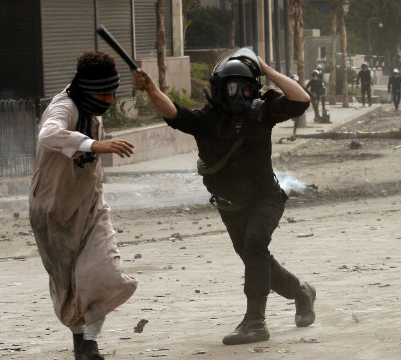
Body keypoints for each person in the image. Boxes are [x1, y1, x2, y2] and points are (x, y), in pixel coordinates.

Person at [131, 48, 316, 345]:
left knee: (255, 246)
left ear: (254, 90)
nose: (238, 94)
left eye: (245, 87)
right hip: (231, 207)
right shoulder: (206, 120)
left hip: (266, 197)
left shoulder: (263, 114)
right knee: (257, 260)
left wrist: (266, 68)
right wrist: (151, 87)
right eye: (231, 87)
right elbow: (173, 112)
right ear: (219, 89)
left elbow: (301, 100)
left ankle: (255, 322)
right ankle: (301, 292)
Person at [29, 51, 138, 360]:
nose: (110, 100)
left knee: (104, 273)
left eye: (112, 92)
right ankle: (82, 344)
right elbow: (47, 134)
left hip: (90, 207)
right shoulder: (64, 106)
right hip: (53, 211)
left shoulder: (91, 108)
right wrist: (93, 145)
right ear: (87, 88)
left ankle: (90, 342)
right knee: (67, 286)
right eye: (104, 93)